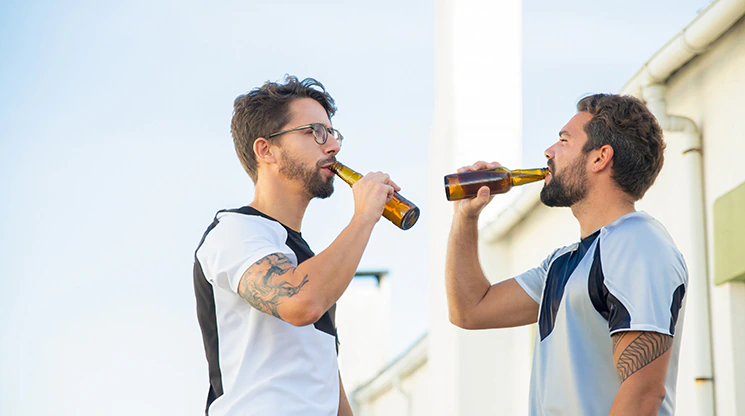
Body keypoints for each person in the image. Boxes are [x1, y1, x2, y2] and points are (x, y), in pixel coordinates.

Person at [445, 93, 688, 415]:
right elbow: (470, 310)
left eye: (564, 140)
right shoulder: (564, 262)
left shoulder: (637, 243)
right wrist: (466, 216)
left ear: (600, 158)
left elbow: (643, 393)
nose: (548, 151)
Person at [193, 75, 400, 416]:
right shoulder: (235, 231)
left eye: (333, 134)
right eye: (314, 132)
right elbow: (301, 303)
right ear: (266, 150)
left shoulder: (311, 265)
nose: (332, 146)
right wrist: (364, 217)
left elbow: (329, 390)